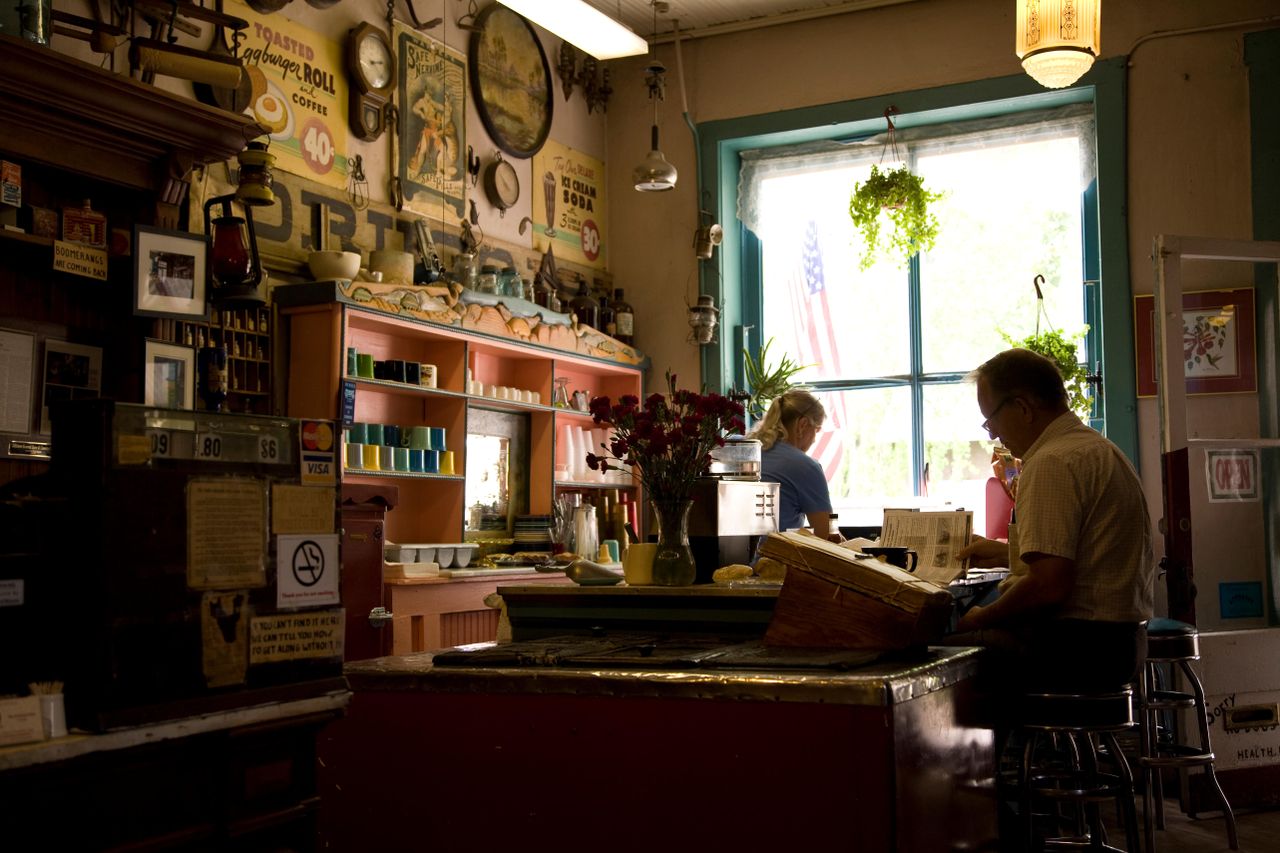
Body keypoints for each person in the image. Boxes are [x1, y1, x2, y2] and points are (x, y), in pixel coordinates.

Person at [952, 347, 1154, 690]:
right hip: (1122, 645)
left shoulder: (1051, 462)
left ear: (1023, 407)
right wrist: (1005, 553)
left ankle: (998, 745)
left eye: (991, 421)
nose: (992, 435)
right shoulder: (1099, 449)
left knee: (938, 654)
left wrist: (979, 618)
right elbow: (1083, 554)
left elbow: (1049, 585)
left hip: (1077, 650)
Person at [748, 389, 842, 542]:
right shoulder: (806, 466)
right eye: (816, 430)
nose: (814, 440)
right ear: (802, 425)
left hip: (734, 563)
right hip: (776, 562)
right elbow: (829, 535)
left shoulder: (746, 451)